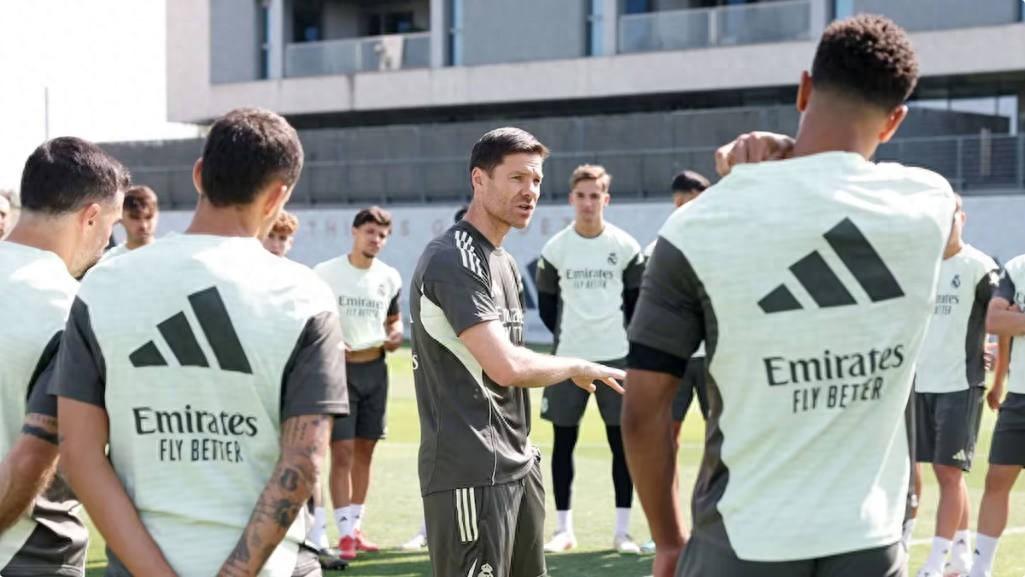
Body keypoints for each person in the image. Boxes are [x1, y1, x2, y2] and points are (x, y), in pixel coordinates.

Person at [623, 15, 957, 577]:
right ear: (895, 120)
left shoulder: (697, 226)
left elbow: (642, 411)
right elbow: (944, 228)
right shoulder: (928, 203)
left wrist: (668, 541)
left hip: (741, 541)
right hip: (871, 541)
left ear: (804, 89)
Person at [53, 108, 349, 577]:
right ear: (279, 195)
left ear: (198, 175)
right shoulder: (307, 294)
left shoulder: (103, 284)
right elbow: (305, 460)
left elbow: (78, 454)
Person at [410, 127, 625, 577]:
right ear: (479, 179)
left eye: (537, 180)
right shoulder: (453, 258)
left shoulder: (504, 262)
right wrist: (574, 364)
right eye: (517, 178)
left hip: (518, 465)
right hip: (471, 471)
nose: (530, 191)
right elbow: (506, 367)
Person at [0, 137, 127, 577]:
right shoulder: (74, 309)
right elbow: (35, 458)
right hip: (29, 549)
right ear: (90, 217)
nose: (108, 241)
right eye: (112, 223)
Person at [535, 164, 644, 554]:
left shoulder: (625, 247)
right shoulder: (555, 249)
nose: (587, 203)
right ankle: (563, 530)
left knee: (621, 444)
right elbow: (547, 307)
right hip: (567, 361)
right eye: (581, 196)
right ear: (571, 199)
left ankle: (622, 532)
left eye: (594, 195)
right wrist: (571, 342)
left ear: (606, 199)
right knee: (563, 442)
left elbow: (636, 304)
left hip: (616, 359)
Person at [907, 194, 999, 577]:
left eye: (952, 216)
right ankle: (960, 556)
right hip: (919, 383)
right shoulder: (920, 265)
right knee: (937, 472)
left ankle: (934, 562)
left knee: (948, 472)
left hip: (960, 384)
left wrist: (994, 350)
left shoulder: (980, 266)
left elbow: (1002, 314)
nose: (946, 224)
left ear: (963, 217)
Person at [313, 206, 403, 561]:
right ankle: (344, 533)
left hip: (376, 371)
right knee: (343, 452)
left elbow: (394, 320)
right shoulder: (325, 273)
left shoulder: (389, 277)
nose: (375, 240)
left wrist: (396, 334)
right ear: (354, 232)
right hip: (339, 373)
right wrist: (332, 340)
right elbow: (314, 318)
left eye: (382, 235)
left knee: (366, 451)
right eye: (370, 232)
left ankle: (356, 527)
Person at [400, 203, 469, 553]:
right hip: (446, 386)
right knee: (442, 457)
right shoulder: (440, 267)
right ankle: (429, 529)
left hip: (487, 389)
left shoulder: (499, 270)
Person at [967, 255, 1025, 577]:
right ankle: (980, 570)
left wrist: (1018, 318)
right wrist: (1006, 319)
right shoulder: (1017, 267)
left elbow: (1008, 321)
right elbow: (993, 322)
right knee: (996, 480)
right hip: (1019, 398)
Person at [102, 185, 159, 260]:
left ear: (157, 215)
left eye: (148, 217)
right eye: (135, 218)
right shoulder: (110, 261)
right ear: (120, 217)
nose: (143, 225)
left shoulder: (170, 255)